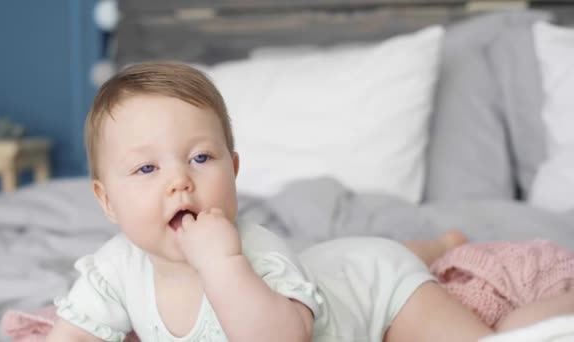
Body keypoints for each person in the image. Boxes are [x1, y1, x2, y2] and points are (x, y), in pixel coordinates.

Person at [46, 62, 574, 342]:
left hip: (377, 292)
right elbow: (73, 334)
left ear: (234, 169)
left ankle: (459, 260)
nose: (179, 183)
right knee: (342, 258)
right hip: (337, 264)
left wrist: (221, 263)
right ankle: (436, 244)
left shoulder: (253, 253)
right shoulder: (115, 267)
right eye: (146, 168)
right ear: (106, 200)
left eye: (201, 159)